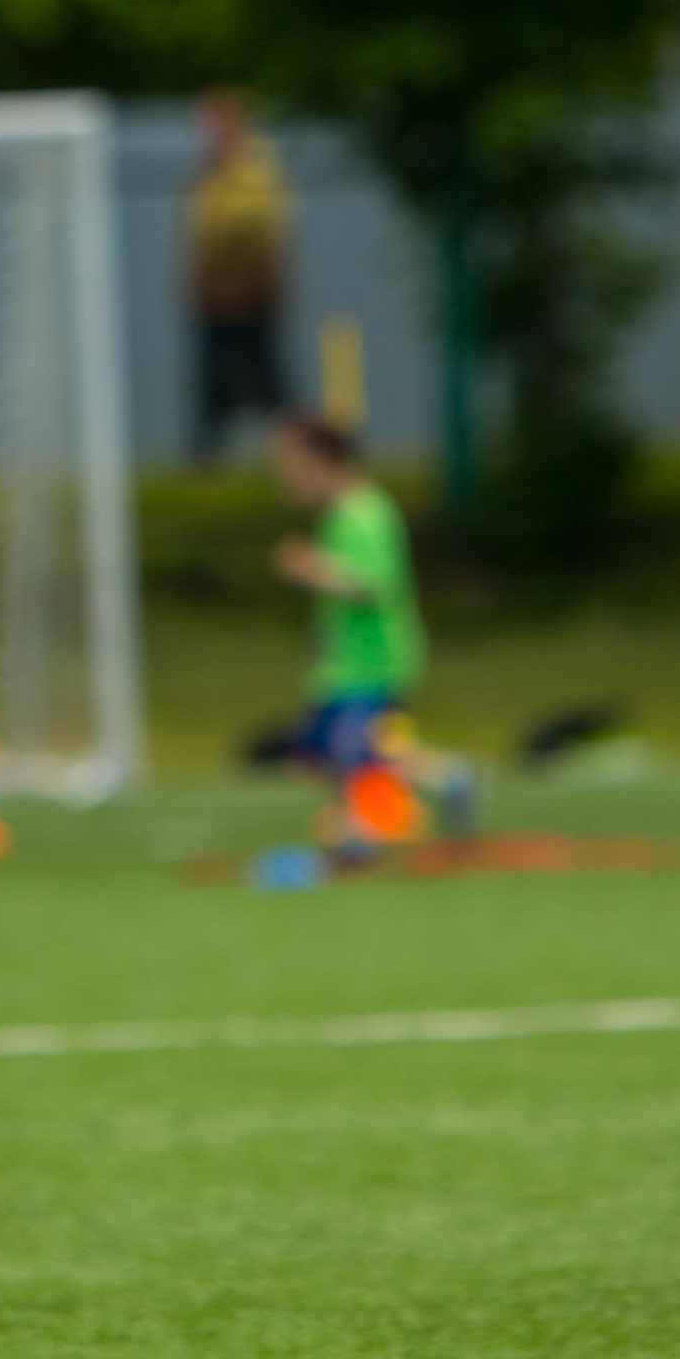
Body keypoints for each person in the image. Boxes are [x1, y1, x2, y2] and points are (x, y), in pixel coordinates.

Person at [265, 410, 471, 843]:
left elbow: (373, 586)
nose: (287, 480)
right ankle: (448, 780)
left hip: (373, 659)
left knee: (357, 750)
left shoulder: (365, 513)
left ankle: (369, 826)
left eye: (291, 467)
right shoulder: (340, 515)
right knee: (318, 752)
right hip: (341, 664)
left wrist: (312, 568)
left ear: (322, 461)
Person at [185, 87, 295, 464]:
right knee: (212, 376)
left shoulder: (255, 169)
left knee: (266, 375)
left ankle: (291, 446)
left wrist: (250, 283)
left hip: (250, 292)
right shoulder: (208, 172)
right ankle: (208, 452)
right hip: (214, 295)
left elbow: (256, 230)